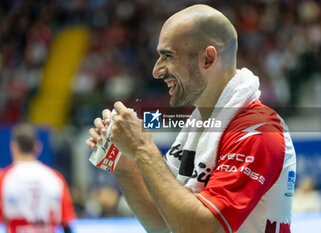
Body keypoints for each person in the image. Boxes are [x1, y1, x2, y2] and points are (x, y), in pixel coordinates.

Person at [86, 4, 296, 233]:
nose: (157, 71)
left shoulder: (258, 131)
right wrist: (123, 161)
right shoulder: (200, 126)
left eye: (168, 56)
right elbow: (163, 222)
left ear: (207, 58)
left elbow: (201, 229)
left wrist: (142, 148)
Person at [0, 123, 76, 233]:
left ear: (14, 147)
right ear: (38, 147)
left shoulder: (4, 178)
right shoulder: (55, 177)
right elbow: (66, 223)